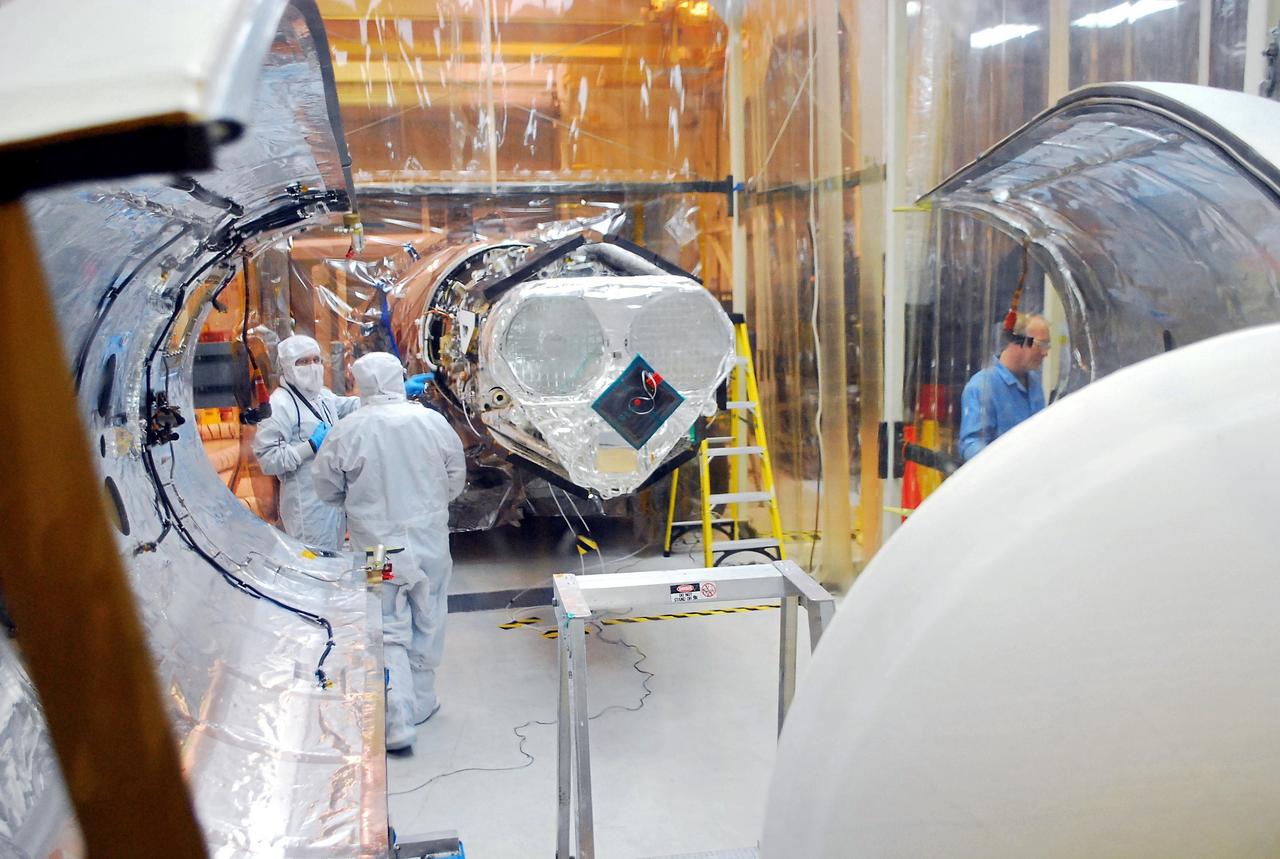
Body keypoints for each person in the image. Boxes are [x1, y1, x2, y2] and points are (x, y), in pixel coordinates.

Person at [312, 352, 466, 752]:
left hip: (379, 549)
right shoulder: (431, 422)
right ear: (398, 378)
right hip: (429, 541)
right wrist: (430, 506)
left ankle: (395, 716)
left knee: (385, 621)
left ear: (360, 382)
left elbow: (326, 489)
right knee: (429, 613)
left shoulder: (347, 430)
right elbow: (455, 477)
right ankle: (422, 700)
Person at [252, 334, 360, 551]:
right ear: (287, 367)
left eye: (316, 360)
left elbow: (350, 406)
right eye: (303, 362)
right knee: (313, 569)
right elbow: (268, 460)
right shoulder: (280, 405)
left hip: (332, 504)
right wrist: (309, 446)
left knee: (332, 563)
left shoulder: (321, 396)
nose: (312, 366)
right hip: (307, 510)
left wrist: (392, 392)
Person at [958, 313, 1050, 461]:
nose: (1045, 353)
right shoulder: (981, 386)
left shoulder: (1034, 382)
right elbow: (971, 446)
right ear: (1016, 342)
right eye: (1041, 345)